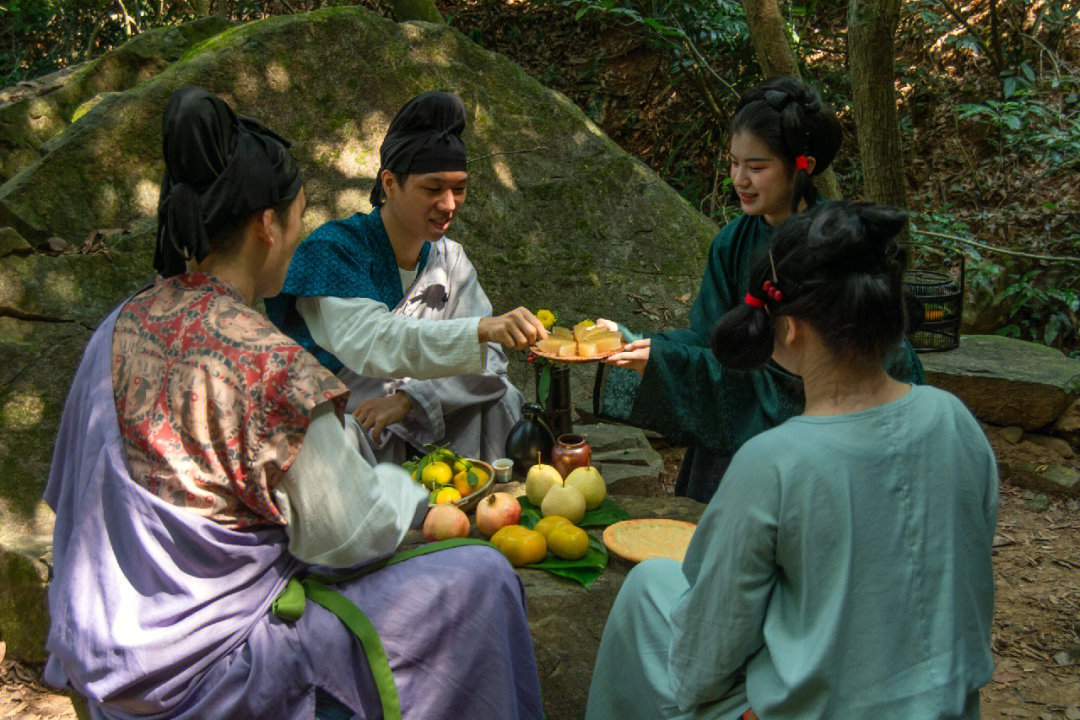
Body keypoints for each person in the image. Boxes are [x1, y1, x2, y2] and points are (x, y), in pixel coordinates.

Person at [43, 86, 544, 720]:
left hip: (107, 665)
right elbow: (352, 537)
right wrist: (411, 499)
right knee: (485, 578)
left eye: (458, 189)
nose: (448, 205)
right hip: (207, 676)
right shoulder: (274, 366)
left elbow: (70, 495)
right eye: (298, 214)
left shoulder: (118, 325)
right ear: (267, 225)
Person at [585, 201, 996, 719]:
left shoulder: (774, 460)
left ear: (792, 328)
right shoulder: (956, 421)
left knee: (649, 593)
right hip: (949, 706)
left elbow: (703, 662)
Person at [596, 76, 923, 502]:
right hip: (738, 412)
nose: (739, 179)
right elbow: (710, 338)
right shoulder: (731, 243)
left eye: (757, 167)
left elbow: (860, 352)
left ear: (801, 165)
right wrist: (648, 350)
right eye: (733, 163)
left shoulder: (841, 242)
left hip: (829, 416)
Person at [266, 91, 542, 466]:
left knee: (502, 396)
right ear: (390, 183)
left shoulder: (449, 259)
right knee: (337, 435)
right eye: (433, 189)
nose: (449, 205)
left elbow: (490, 360)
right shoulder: (332, 252)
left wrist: (410, 400)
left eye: (459, 189)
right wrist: (480, 329)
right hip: (349, 417)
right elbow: (374, 342)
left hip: (413, 414)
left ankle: (498, 500)